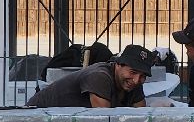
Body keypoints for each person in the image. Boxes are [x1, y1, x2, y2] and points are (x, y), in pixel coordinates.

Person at [26, 44, 155, 108]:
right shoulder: (100, 77)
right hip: (37, 118)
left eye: (143, 76)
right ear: (118, 64)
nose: (137, 79)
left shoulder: (133, 83)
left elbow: (141, 117)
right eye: (132, 72)